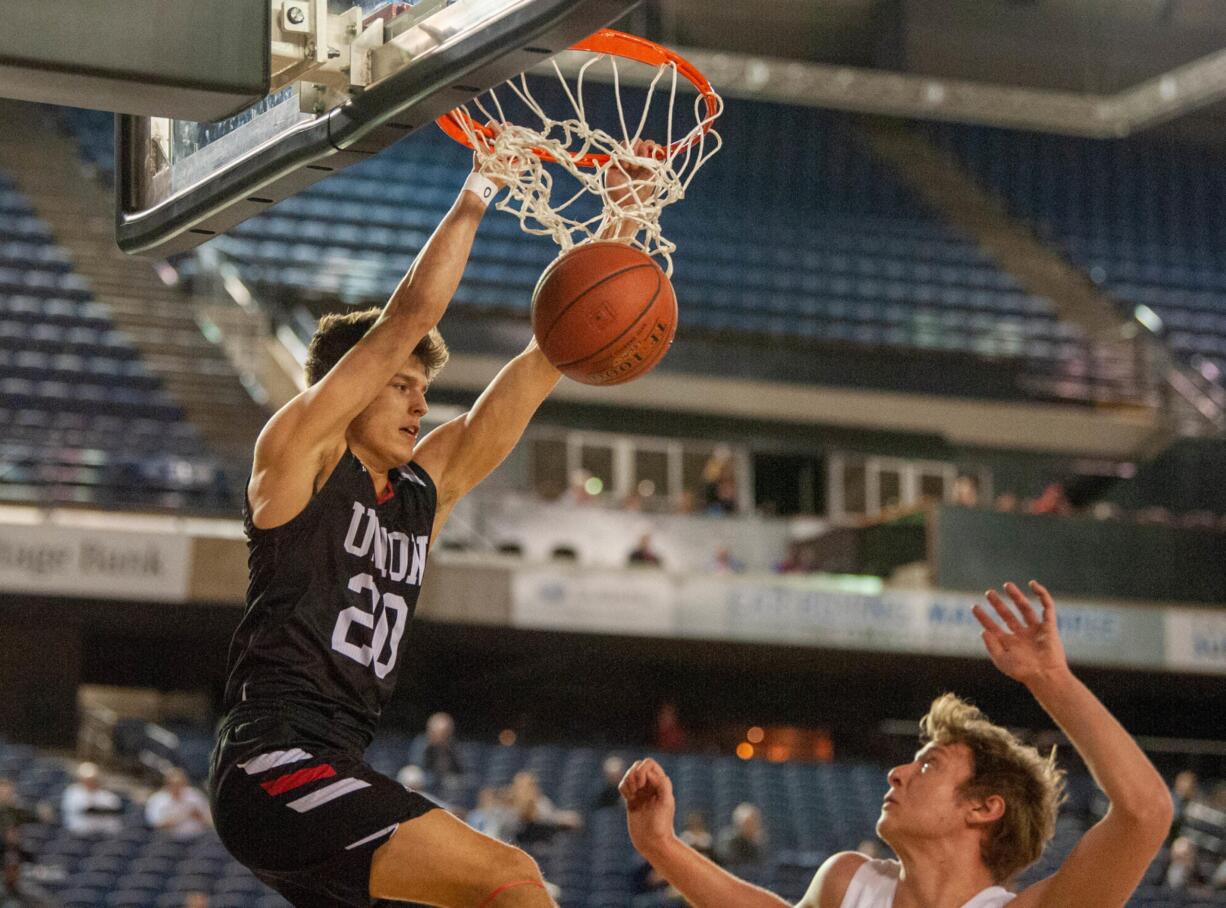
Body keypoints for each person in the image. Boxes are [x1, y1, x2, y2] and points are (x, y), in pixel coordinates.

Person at [208, 136, 662, 908]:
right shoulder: (299, 458)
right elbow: (407, 315)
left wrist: (620, 219)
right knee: (512, 880)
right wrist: (482, 185)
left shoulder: (425, 488)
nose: (421, 404)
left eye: (425, 388)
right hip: (272, 761)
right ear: (349, 389)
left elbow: (546, 360)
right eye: (402, 385)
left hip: (337, 764)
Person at [620, 580, 1173, 908]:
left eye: (929, 766)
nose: (898, 774)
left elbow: (1145, 812)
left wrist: (1050, 679)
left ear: (983, 807)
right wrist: (661, 845)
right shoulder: (849, 881)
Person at [146, 768, 212, 840]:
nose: (177, 787)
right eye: (174, 784)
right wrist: (174, 819)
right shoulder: (157, 799)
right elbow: (154, 825)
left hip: (198, 837)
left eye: (181, 784)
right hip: (169, 840)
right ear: (167, 784)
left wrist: (197, 815)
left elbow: (209, 820)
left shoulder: (195, 795)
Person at [61, 763, 123, 838]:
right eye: (87, 779)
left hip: (104, 835)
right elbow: (84, 809)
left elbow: (115, 808)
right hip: (79, 835)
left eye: (93, 779)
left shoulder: (105, 795)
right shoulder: (73, 792)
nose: (90, 782)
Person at [421, 712, 464, 787]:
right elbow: (417, 765)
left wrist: (446, 749)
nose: (443, 736)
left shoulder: (454, 746)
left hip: (447, 783)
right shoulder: (421, 744)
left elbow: (460, 769)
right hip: (426, 779)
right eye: (441, 732)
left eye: (447, 732)